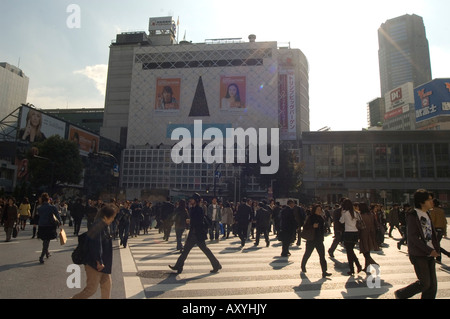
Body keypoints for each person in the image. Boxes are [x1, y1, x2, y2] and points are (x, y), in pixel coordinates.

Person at [395, 189, 440, 299]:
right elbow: (413, 238)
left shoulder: (427, 214)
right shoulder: (413, 215)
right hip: (419, 254)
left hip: (429, 253)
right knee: (425, 283)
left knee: (432, 286)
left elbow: (430, 235)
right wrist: (430, 250)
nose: (432, 202)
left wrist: (435, 249)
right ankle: (401, 294)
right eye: (429, 200)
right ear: (422, 202)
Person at [72, 204, 118, 299]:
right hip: (94, 264)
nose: (113, 219)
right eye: (112, 217)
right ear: (106, 216)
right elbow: (96, 245)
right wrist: (99, 261)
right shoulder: (98, 225)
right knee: (91, 289)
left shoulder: (103, 225)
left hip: (103, 263)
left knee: (107, 286)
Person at [169, 193, 222, 274]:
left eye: (192, 199)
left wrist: (190, 221)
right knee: (186, 251)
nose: (191, 200)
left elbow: (199, 221)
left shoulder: (199, 209)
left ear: (196, 200)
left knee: (205, 250)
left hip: (198, 234)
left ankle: (216, 265)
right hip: (193, 233)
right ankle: (178, 266)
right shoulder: (193, 208)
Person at [300, 204, 331, 278]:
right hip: (311, 239)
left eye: (320, 210)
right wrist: (312, 226)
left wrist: (325, 230)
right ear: (314, 210)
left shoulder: (321, 217)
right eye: (318, 210)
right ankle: (303, 265)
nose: (319, 211)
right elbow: (305, 227)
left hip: (319, 239)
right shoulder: (310, 217)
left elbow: (322, 227)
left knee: (322, 256)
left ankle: (324, 271)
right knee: (307, 254)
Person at [37, 193, 62, 264]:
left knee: (45, 240)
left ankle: (47, 253)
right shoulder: (52, 207)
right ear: (48, 200)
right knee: (46, 241)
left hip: (41, 225)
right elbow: (57, 215)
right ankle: (41, 256)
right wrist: (60, 222)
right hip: (49, 226)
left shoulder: (39, 208)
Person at [339, 198, 362, 275]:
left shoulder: (345, 213)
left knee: (349, 251)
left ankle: (353, 268)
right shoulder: (356, 213)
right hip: (355, 233)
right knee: (350, 250)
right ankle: (357, 266)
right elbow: (360, 220)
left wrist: (342, 213)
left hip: (348, 233)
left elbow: (341, 221)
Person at [358, 202, 380, 272]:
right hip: (371, 234)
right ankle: (367, 267)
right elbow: (376, 223)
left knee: (365, 251)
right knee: (367, 251)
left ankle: (373, 263)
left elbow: (358, 225)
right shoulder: (371, 214)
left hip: (363, 234)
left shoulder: (360, 215)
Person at [430, 199, 450, 263]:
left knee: (435, 244)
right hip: (441, 230)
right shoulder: (441, 211)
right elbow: (444, 222)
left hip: (435, 229)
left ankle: (447, 254)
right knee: (437, 244)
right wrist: (445, 231)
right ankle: (439, 258)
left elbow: (432, 221)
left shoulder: (433, 211)